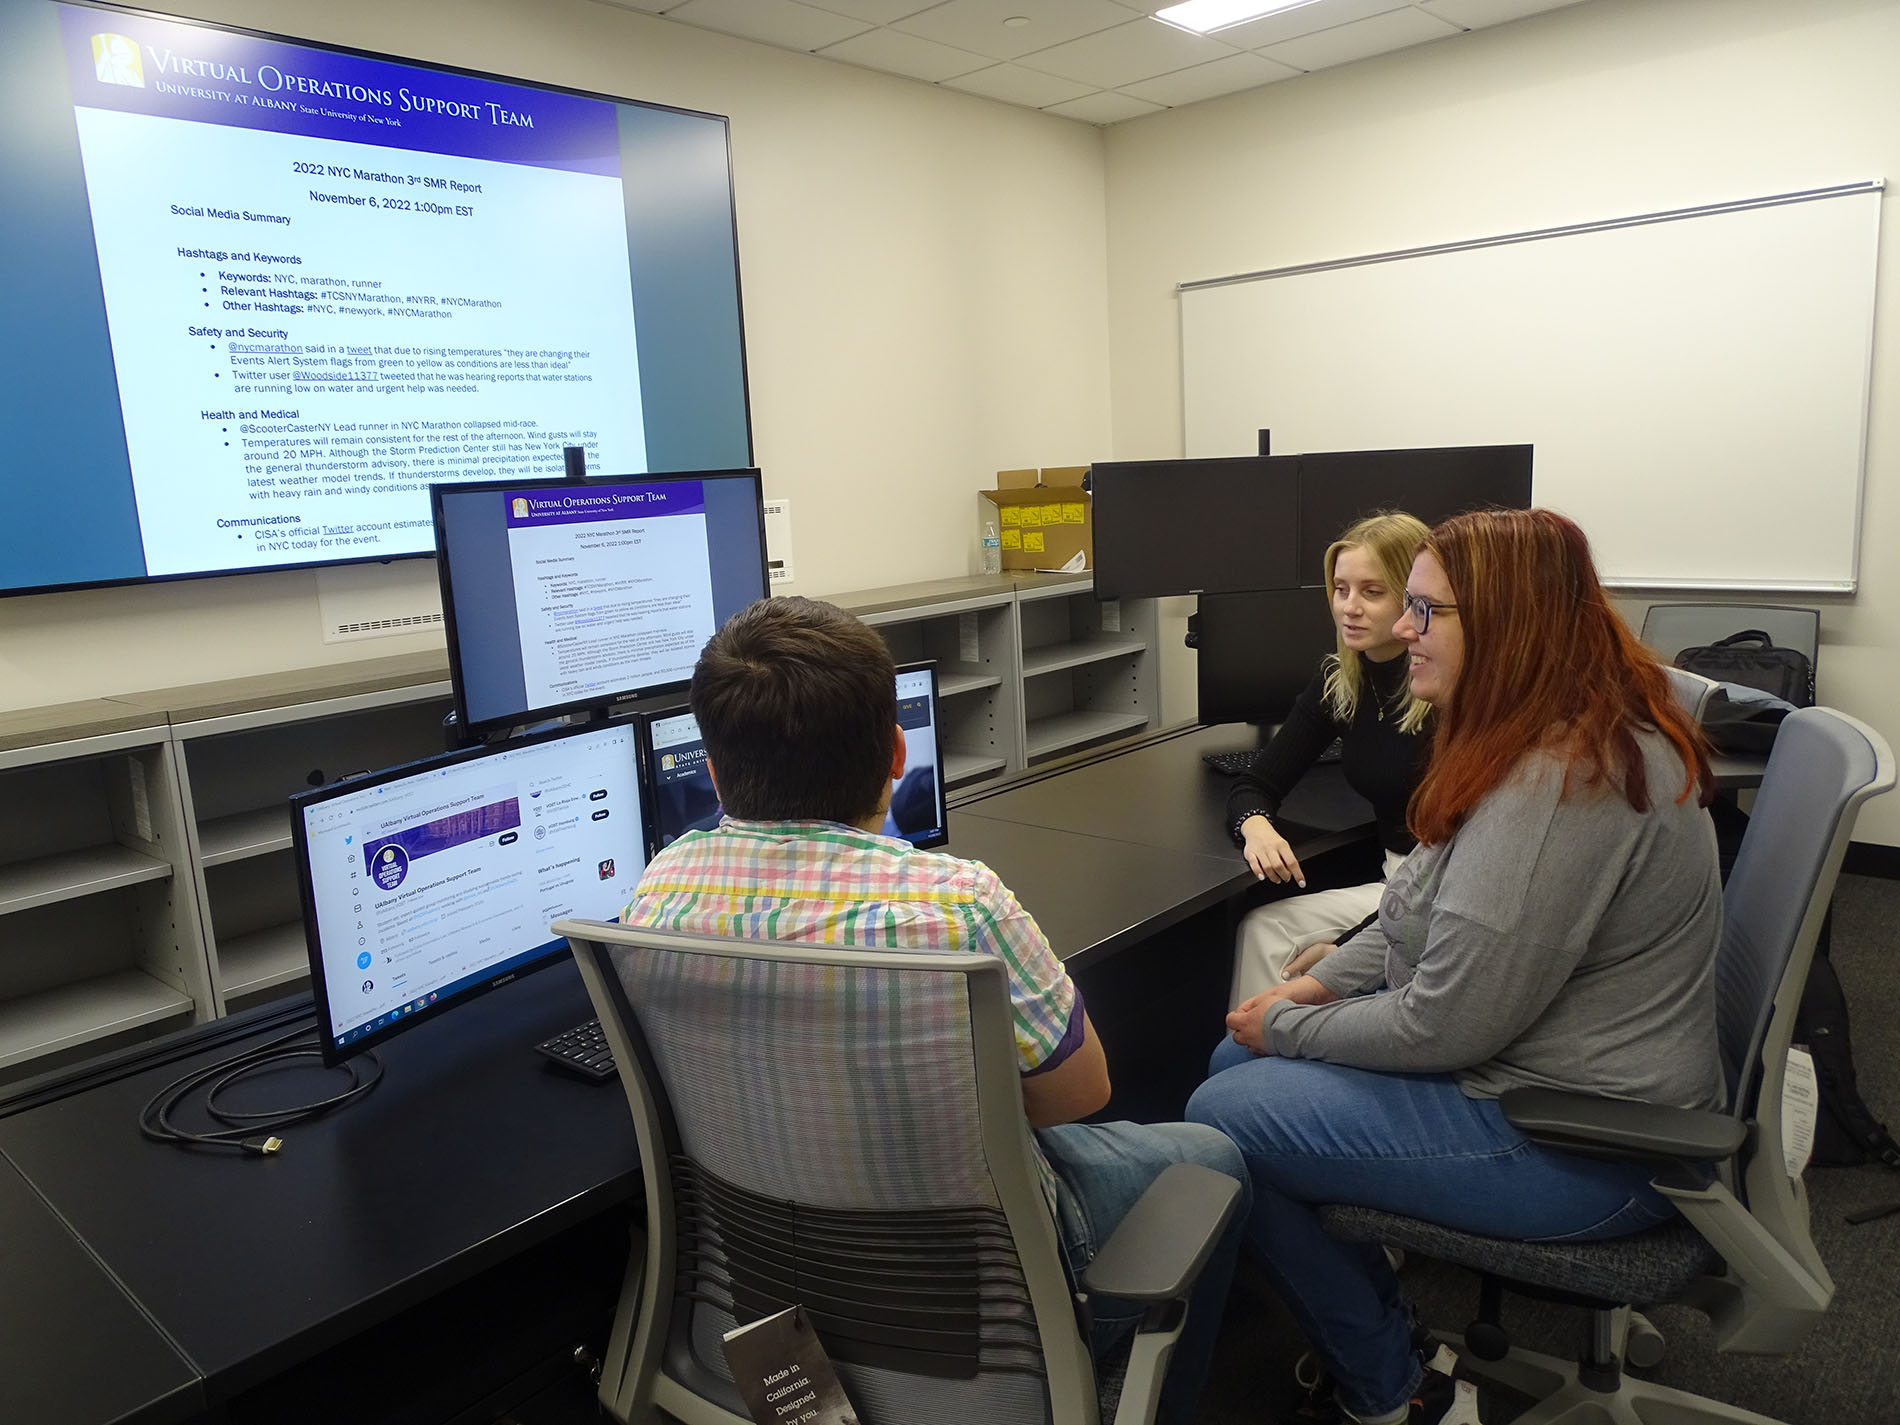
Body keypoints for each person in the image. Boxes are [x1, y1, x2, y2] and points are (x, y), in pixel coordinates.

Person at [622, 596, 1250, 1423]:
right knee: (1214, 1154)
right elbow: (1079, 1095)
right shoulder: (953, 904)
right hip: (966, 1315)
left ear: (710, 766)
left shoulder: (658, 886)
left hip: (757, 1287)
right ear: (895, 753)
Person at [1187, 509, 1723, 1425]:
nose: (1400, 626)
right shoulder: (1540, 728)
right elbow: (1412, 907)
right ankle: (1384, 1344)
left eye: (1425, 610)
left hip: (1583, 1138)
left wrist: (1286, 1022)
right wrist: (1318, 984)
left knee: (1221, 1114)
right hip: (1564, 1081)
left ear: (1506, 625)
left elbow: (1444, 1023)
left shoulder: (1559, 781)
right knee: (1242, 1072)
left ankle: (1392, 1390)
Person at [1225, 511, 1434, 1004]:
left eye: (1372, 592)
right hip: (1394, 882)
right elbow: (1255, 784)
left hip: (1436, 894)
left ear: (1415, 599)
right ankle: (1251, 1065)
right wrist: (1255, 825)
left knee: (1304, 950)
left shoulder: (1442, 690)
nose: (1349, 608)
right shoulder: (1342, 681)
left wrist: (1343, 949)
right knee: (1263, 927)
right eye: (1340, 590)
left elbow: (1450, 867)